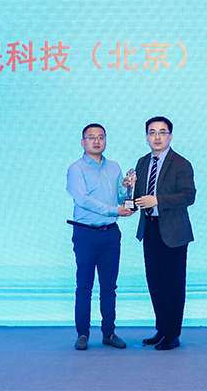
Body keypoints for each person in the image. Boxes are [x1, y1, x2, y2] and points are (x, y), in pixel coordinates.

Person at [66, 123, 135, 351]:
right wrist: (115, 210)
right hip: (86, 233)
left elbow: (121, 196)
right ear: (82, 142)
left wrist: (128, 188)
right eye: (91, 137)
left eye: (101, 137)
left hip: (110, 234)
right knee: (84, 286)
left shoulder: (114, 167)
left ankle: (109, 333)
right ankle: (82, 334)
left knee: (109, 287)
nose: (96, 141)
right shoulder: (76, 169)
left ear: (105, 140)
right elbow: (83, 200)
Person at [133, 116, 196, 350]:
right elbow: (139, 196)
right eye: (152, 132)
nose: (157, 137)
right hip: (149, 228)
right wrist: (129, 187)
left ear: (170, 136)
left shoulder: (181, 163)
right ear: (146, 137)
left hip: (173, 232)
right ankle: (161, 329)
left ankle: (173, 334)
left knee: (173, 284)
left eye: (162, 132)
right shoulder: (142, 162)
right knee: (155, 282)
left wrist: (158, 200)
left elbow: (189, 195)